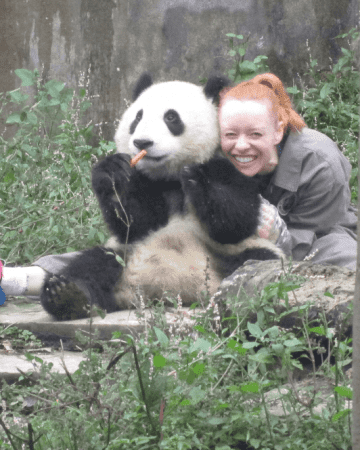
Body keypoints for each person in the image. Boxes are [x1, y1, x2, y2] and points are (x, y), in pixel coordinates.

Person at [218, 73, 357, 270]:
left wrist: (273, 234)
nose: (240, 146)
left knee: (341, 256)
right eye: (230, 134)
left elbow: (310, 236)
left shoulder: (320, 162)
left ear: (278, 131)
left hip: (320, 233)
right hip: (251, 236)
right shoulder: (215, 153)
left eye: (255, 134)